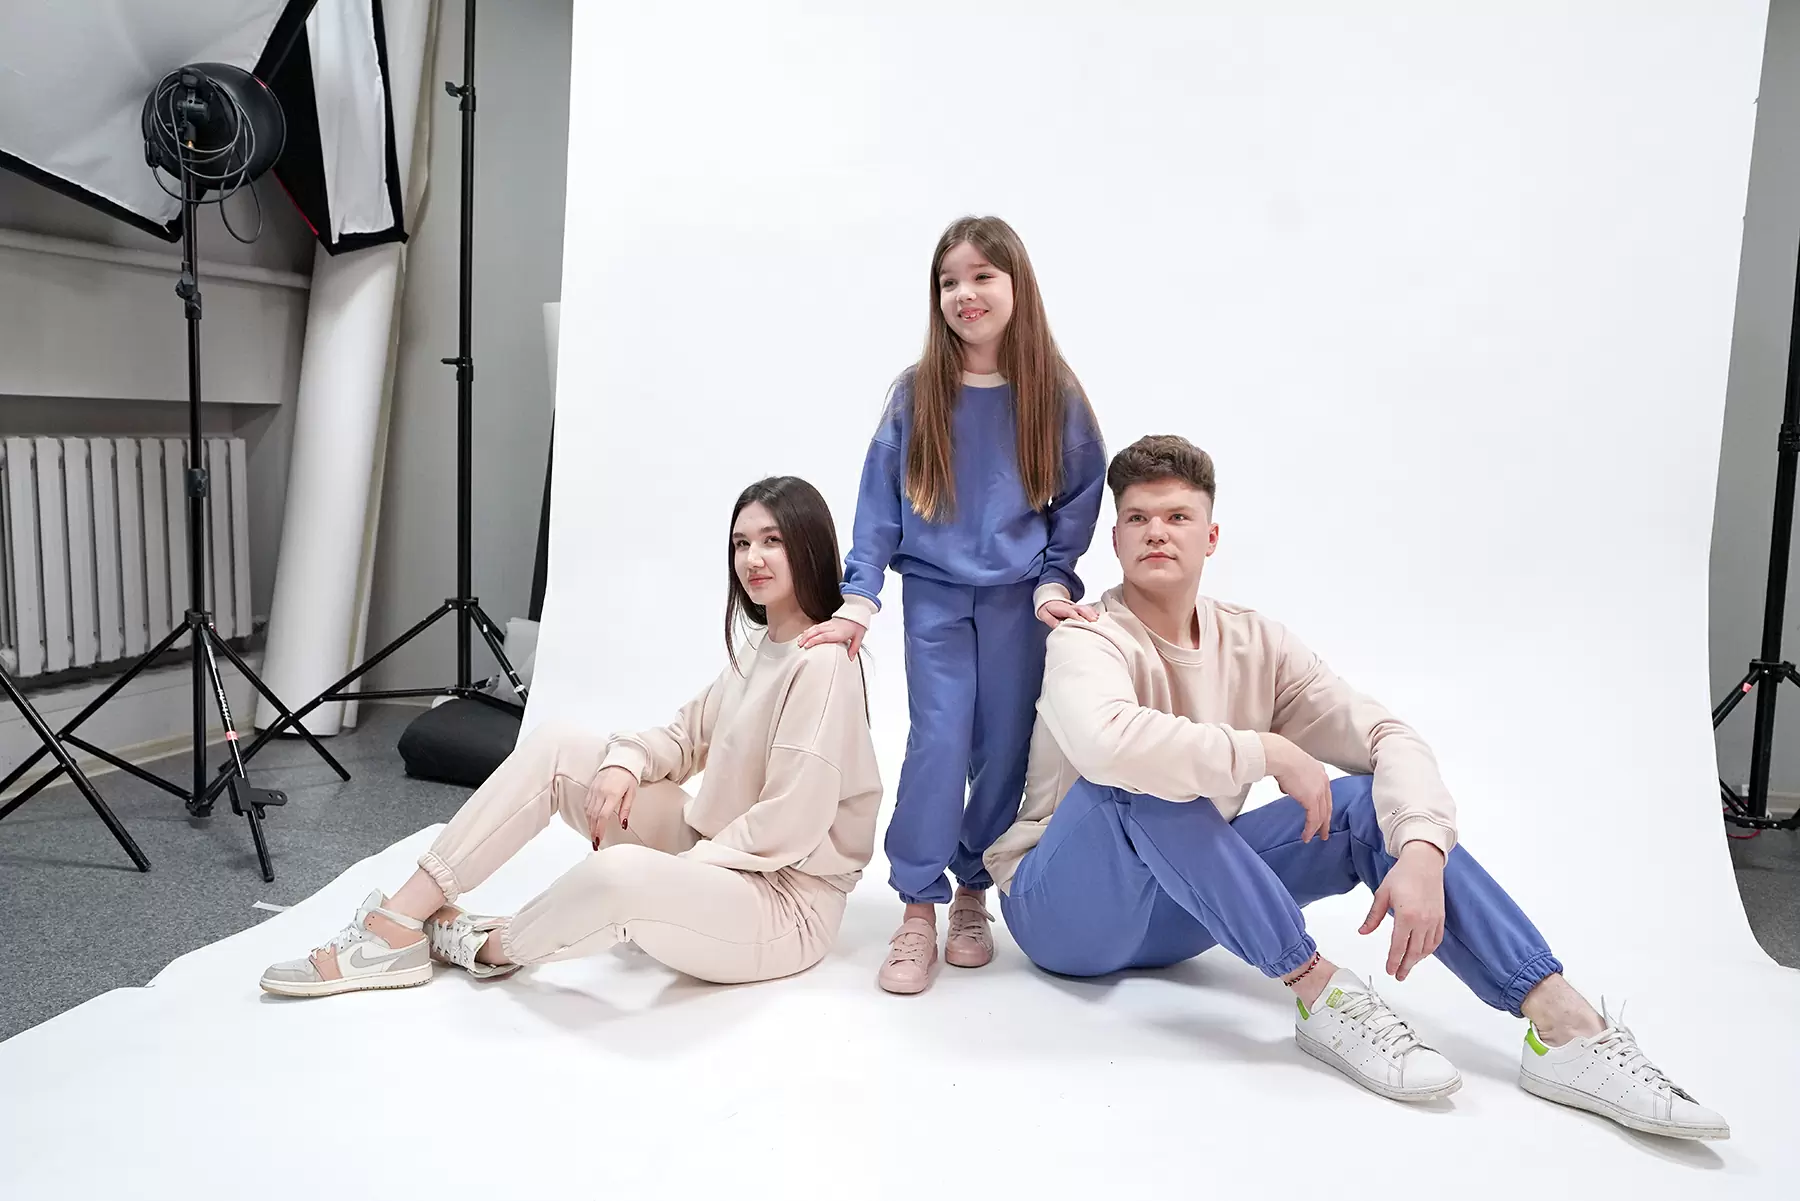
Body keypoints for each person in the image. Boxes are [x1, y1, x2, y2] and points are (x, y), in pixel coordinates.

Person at [983, 434, 1730, 1140]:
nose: (1157, 532)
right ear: (1115, 539)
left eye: (1178, 517)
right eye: (1138, 518)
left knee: (1368, 803)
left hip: (1184, 908)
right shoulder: (1086, 636)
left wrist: (1423, 846)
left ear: (1210, 537)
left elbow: (1384, 735)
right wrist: (1268, 750)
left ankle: (1564, 1024)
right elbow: (1109, 744)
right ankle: (1319, 990)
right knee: (1134, 784)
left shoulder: (1255, 642)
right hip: (1064, 911)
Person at [260, 476, 882, 997]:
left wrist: (673, 876)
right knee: (561, 746)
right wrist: (623, 762)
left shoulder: (823, 662)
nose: (752, 559)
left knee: (621, 875)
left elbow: (787, 824)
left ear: (808, 547)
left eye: (772, 541)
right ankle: (397, 923)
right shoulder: (764, 646)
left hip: (782, 903)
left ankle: (489, 944)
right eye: (741, 543)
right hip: (721, 860)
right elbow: (684, 737)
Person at [800, 215, 1107, 994]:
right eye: (948, 282)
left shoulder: (1053, 391)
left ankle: (973, 888)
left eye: (981, 276)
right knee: (938, 740)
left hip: (1018, 602)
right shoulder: (918, 391)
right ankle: (916, 903)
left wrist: (1054, 577)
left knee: (1003, 747)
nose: (964, 293)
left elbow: (1081, 490)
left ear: (1016, 284)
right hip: (935, 594)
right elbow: (879, 498)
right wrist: (860, 595)